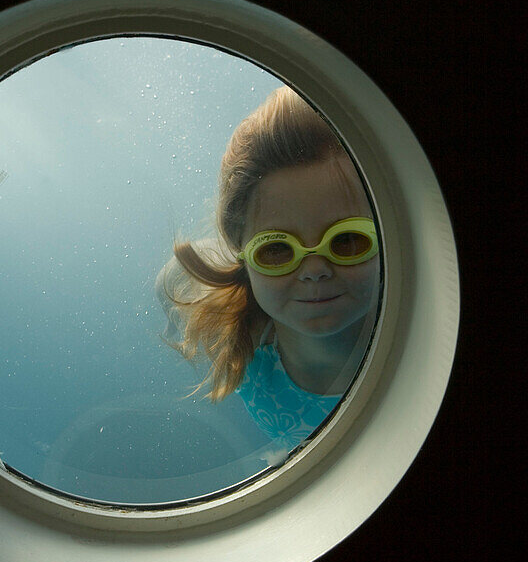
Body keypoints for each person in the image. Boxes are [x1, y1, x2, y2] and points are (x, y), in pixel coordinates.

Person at [159, 86, 381, 465]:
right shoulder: (239, 334)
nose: (314, 271)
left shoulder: (426, 328)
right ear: (244, 258)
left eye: (347, 241)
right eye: (276, 249)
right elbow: (173, 280)